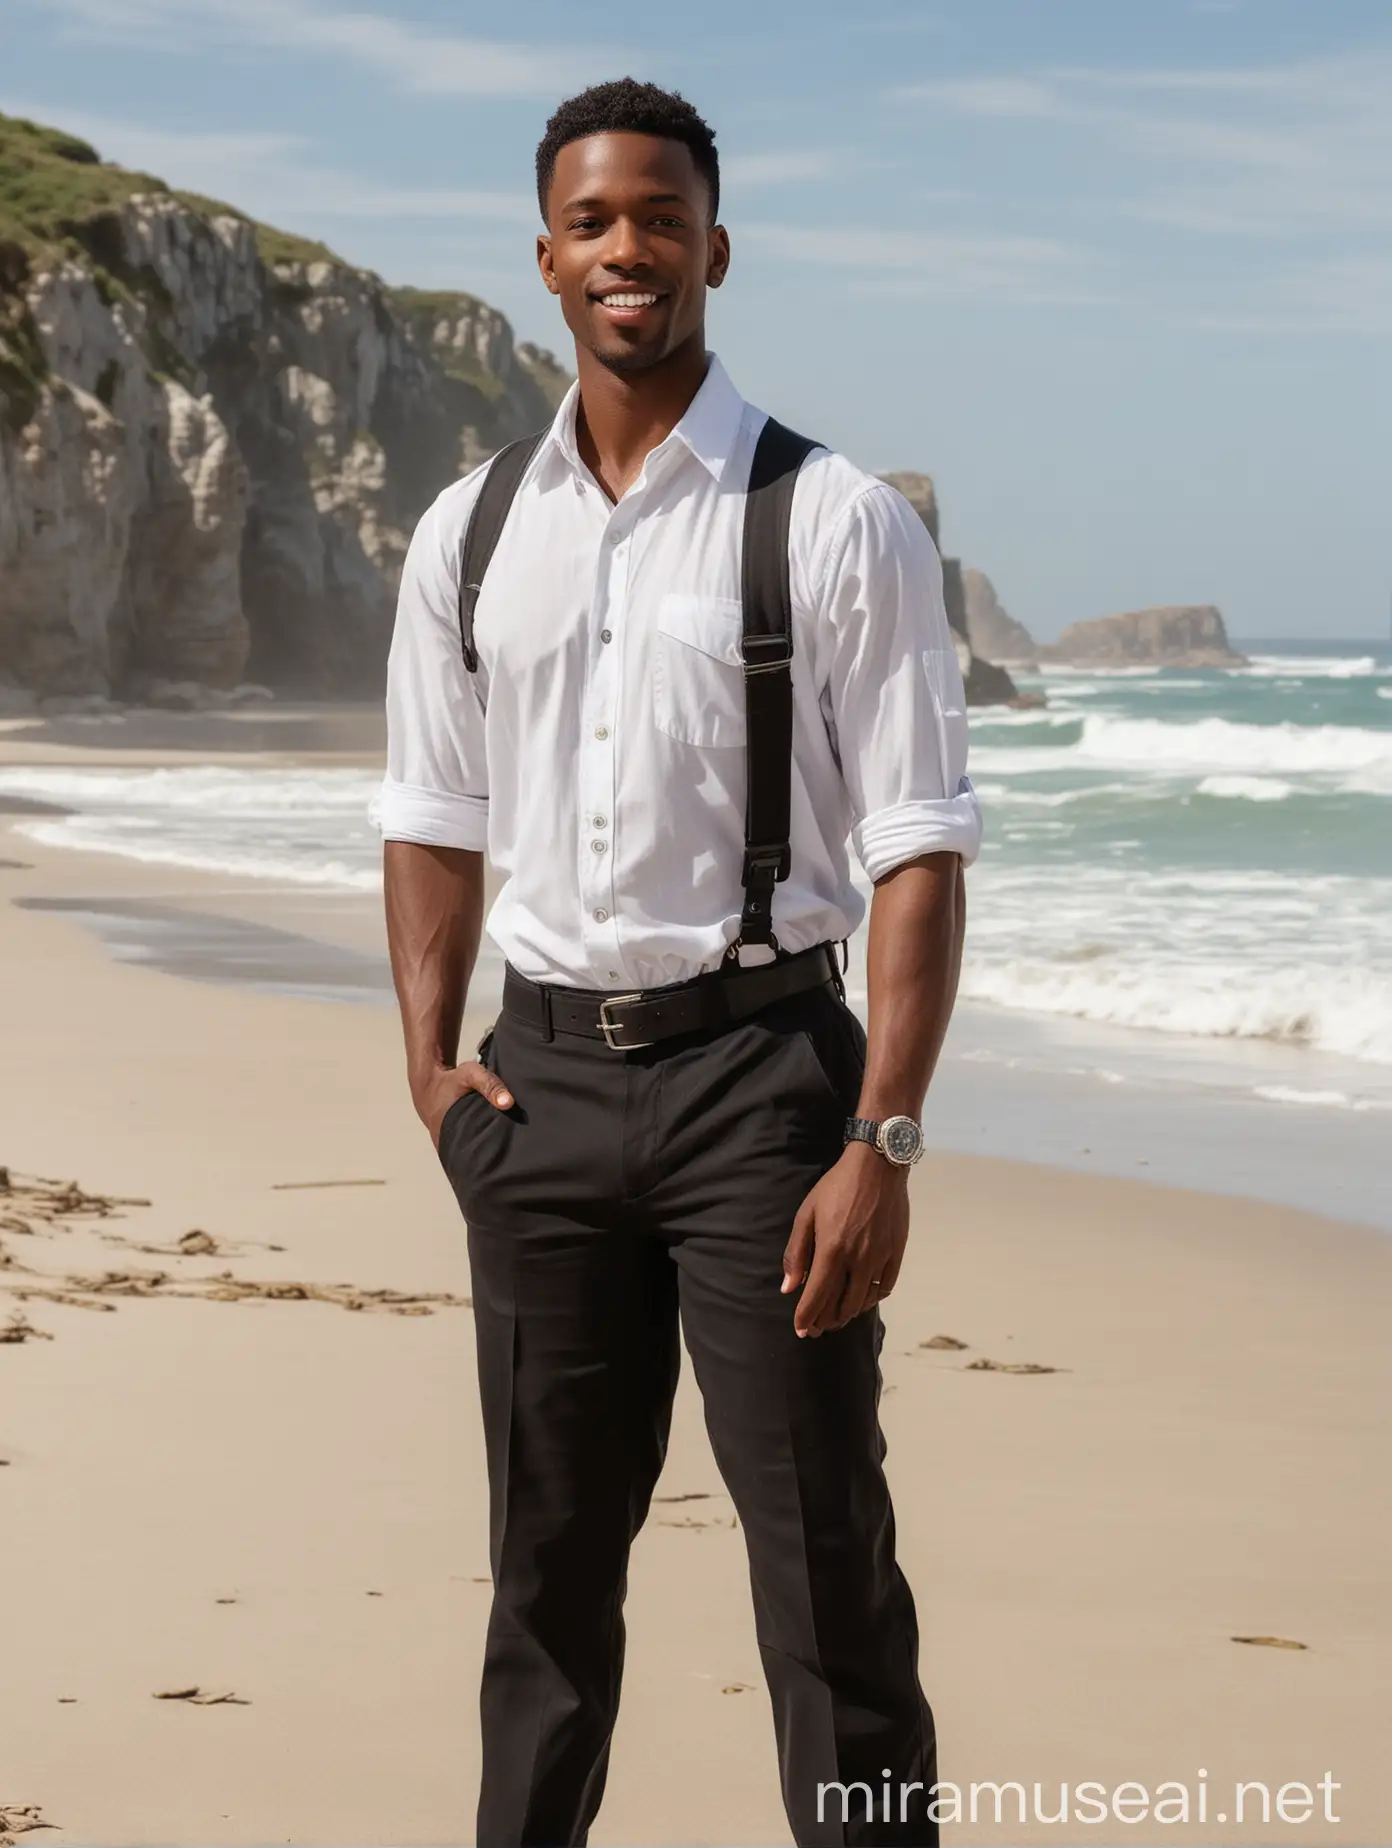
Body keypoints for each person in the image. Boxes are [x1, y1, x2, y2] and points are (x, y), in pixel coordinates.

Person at [377, 76, 981, 1848]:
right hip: (539, 1090)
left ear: (716, 247)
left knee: (825, 1584)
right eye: (593, 222)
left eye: (659, 218)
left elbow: (918, 848)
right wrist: (431, 1067)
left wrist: (884, 1140)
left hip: (765, 1090)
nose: (626, 249)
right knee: (545, 1585)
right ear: (546, 257)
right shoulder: (472, 528)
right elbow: (433, 807)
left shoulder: (837, 516)